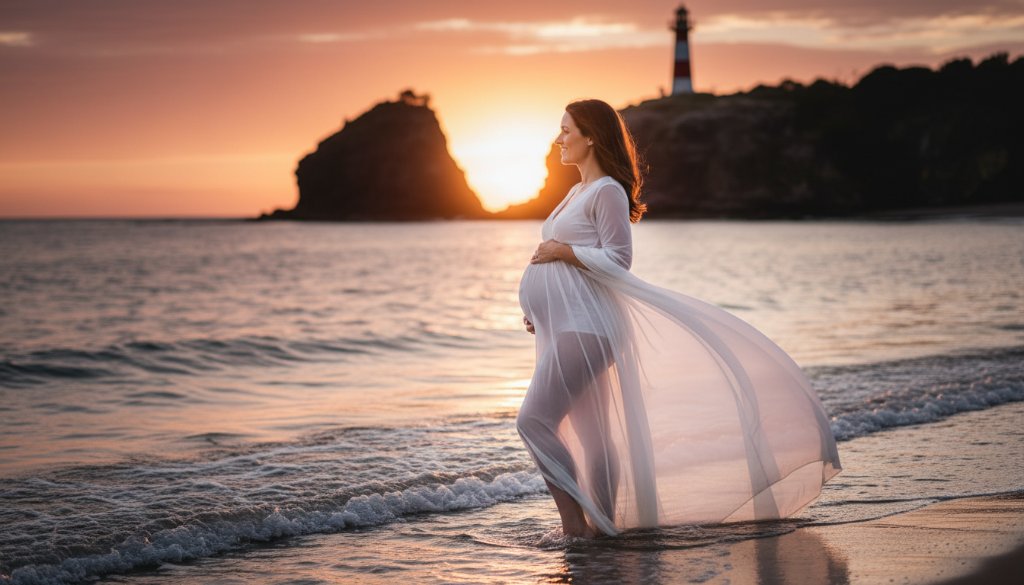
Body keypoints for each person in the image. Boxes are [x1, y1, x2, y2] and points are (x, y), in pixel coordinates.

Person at [516, 99, 841, 538]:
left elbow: (618, 258)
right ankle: (602, 526)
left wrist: (562, 252)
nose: (559, 138)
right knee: (593, 436)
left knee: (533, 421)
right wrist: (539, 307)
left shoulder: (607, 189)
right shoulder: (577, 191)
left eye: (566, 129)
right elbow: (572, 269)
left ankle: (576, 527)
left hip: (588, 328)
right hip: (568, 325)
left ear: (591, 136)